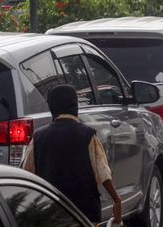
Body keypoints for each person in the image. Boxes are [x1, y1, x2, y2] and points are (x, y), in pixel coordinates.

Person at [22, 84, 122, 225]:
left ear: (52, 107)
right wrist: (116, 200)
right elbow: (103, 173)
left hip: (49, 213)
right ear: (75, 105)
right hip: (84, 213)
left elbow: (27, 174)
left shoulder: (38, 137)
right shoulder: (87, 135)